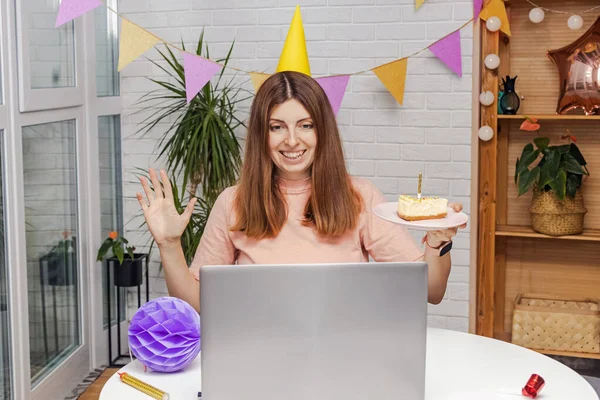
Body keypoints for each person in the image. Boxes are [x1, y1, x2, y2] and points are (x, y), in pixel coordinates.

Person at [136, 71, 466, 314]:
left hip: (344, 355)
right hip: (256, 354)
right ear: (261, 135)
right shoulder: (232, 203)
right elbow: (194, 304)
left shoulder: (360, 196)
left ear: (322, 131)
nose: (292, 140)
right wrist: (169, 245)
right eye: (277, 127)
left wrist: (438, 243)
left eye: (305, 125)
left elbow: (431, 291)